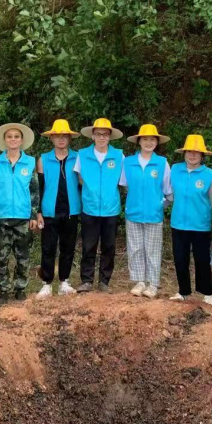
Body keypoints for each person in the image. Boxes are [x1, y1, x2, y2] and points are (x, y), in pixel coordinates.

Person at [0, 123, 39, 306]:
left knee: (23, 256)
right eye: (9, 136)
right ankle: (3, 290)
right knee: (1, 256)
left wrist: (33, 216)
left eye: (17, 136)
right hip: (1, 217)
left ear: (22, 140)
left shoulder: (30, 162)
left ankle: (20, 288)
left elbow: (34, 191)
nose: (13, 139)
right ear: (5, 140)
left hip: (23, 217)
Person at [74, 118, 125, 293]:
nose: (102, 137)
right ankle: (87, 280)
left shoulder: (119, 156)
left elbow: (123, 180)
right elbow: (80, 178)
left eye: (105, 134)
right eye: (98, 134)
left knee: (109, 247)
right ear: (93, 136)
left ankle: (104, 281)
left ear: (110, 136)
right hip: (90, 208)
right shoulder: (83, 154)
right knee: (88, 246)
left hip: (111, 209)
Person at [122, 124, 172, 299]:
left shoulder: (162, 163)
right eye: (145, 139)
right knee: (135, 248)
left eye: (152, 139)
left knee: (152, 250)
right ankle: (139, 282)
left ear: (157, 142)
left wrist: (158, 205)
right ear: (139, 141)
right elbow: (126, 186)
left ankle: (153, 284)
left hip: (154, 214)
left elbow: (168, 190)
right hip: (133, 213)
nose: (148, 142)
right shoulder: (128, 162)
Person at [35, 120, 81, 299]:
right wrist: (38, 212)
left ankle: (64, 282)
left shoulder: (77, 158)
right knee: (48, 248)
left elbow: (82, 184)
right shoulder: (43, 159)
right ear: (51, 138)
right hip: (49, 210)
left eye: (64, 136)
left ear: (69, 138)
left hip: (71, 209)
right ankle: (46, 284)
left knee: (68, 247)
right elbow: (40, 188)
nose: (61, 139)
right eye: (57, 136)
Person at [168, 135, 212, 303]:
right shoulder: (175, 169)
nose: (192, 155)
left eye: (197, 152)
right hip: (178, 223)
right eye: (189, 151)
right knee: (180, 259)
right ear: (184, 153)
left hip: (200, 225)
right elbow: (169, 193)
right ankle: (183, 291)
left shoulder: (210, 175)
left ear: (202, 155)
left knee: (202, 260)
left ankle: (207, 294)